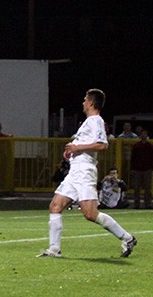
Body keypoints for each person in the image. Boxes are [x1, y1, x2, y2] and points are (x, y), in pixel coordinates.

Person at [39, 89, 137, 258]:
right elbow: (82, 145)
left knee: (90, 214)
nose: (83, 102)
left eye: (85, 99)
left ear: (91, 102)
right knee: (55, 206)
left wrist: (77, 147)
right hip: (75, 171)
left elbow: (102, 145)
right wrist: (70, 152)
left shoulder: (96, 120)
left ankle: (127, 238)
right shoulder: (87, 122)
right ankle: (54, 249)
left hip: (85, 171)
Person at [130, 129, 153, 209]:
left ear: (147, 135)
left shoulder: (150, 146)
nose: (144, 135)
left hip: (147, 169)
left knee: (147, 187)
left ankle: (148, 204)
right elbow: (133, 158)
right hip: (137, 169)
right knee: (136, 187)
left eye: (145, 134)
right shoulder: (136, 146)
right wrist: (132, 168)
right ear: (140, 135)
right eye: (142, 134)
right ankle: (136, 204)